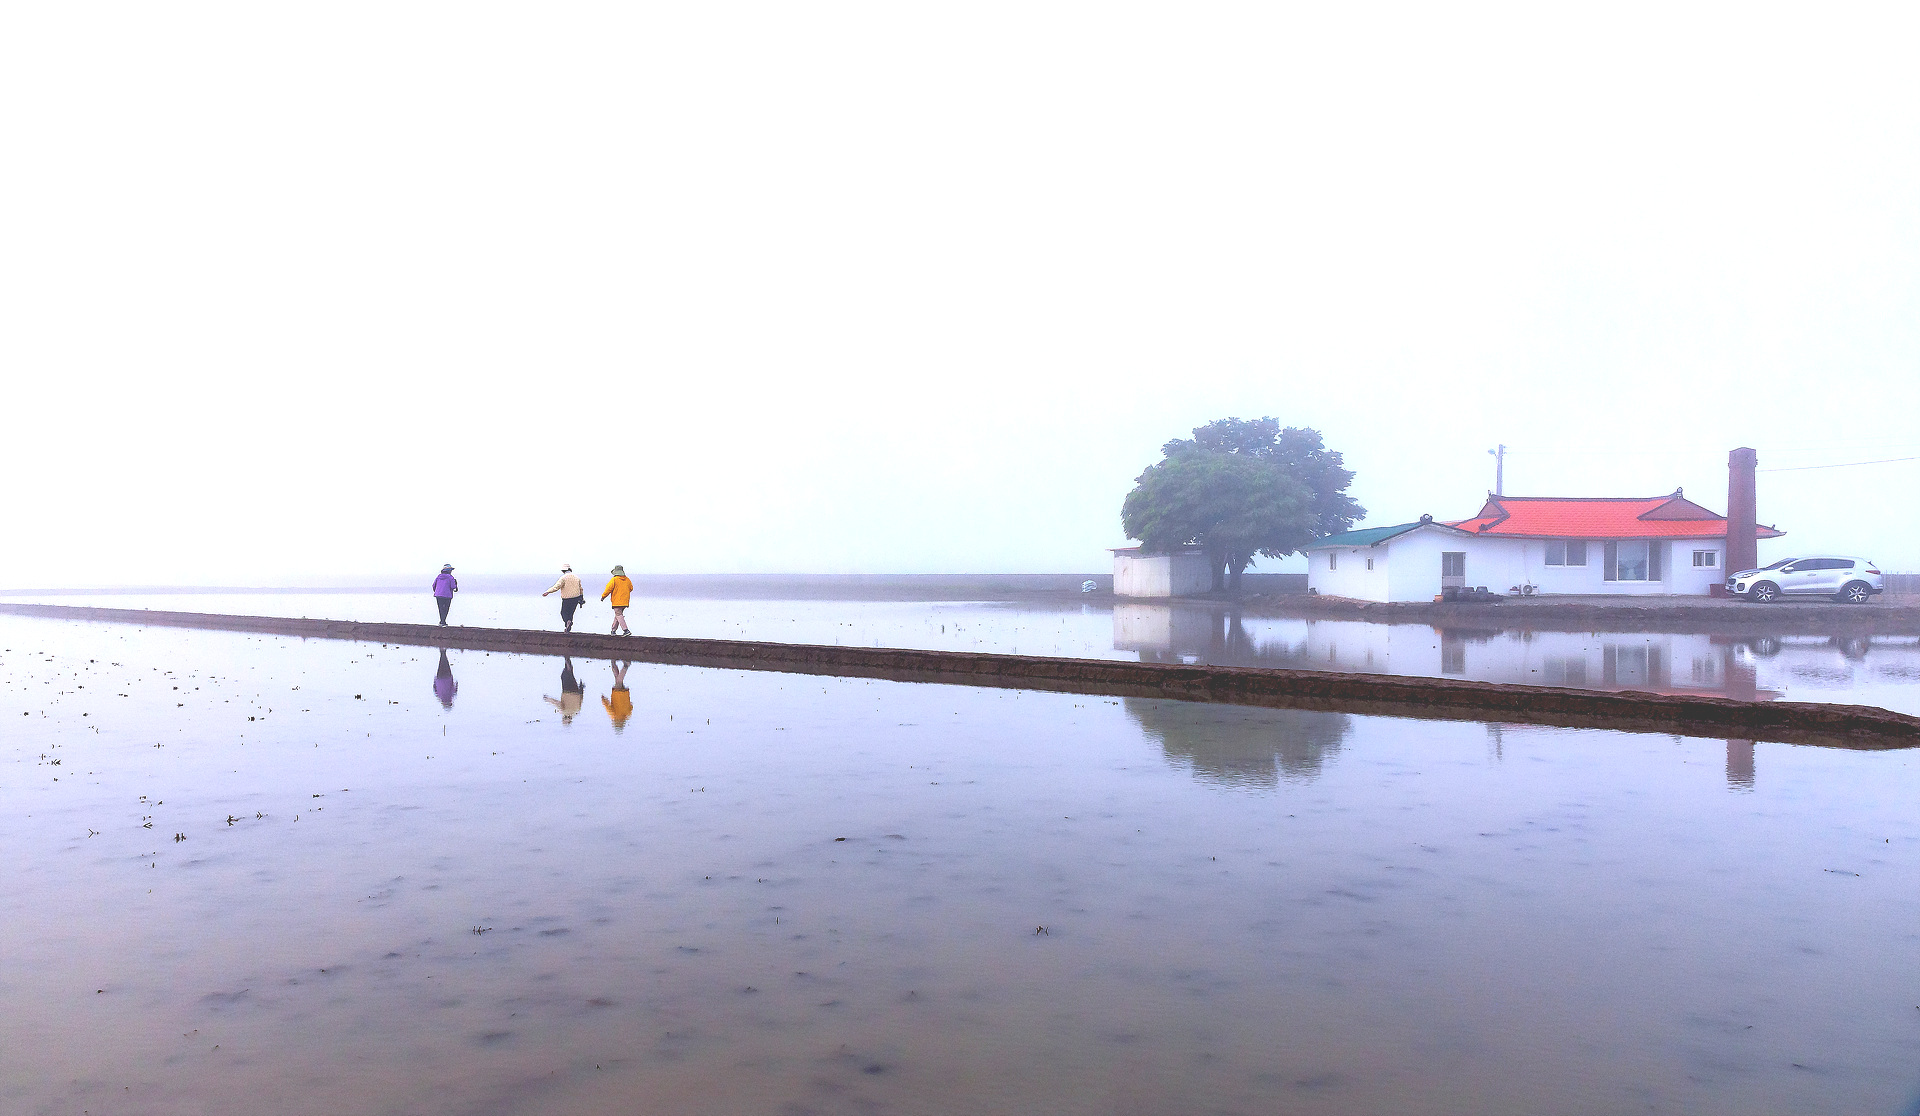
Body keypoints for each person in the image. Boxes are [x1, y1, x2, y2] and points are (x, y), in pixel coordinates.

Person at [541, 564, 586, 632]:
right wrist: (581, 597)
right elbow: (581, 589)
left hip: (567, 598)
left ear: (563, 571)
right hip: (576, 598)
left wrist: (548, 591)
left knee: (563, 612)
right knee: (571, 613)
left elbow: (556, 587)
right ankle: (568, 626)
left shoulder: (563, 578)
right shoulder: (577, 578)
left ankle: (567, 622)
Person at [544, 657, 585, 724]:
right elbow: (556, 703)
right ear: (564, 717)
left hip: (576, 691)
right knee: (565, 675)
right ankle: (567, 660)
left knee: (570, 675)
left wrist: (581, 688)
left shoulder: (577, 711)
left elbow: (581, 699)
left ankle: (567, 661)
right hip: (567, 692)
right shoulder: (564, 711)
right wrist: (548, 699)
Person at [601, 564, 634, 636]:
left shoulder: (614, 579)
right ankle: (613, 630)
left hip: (617, 601)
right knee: (618, 615)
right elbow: (631, 588)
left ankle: (626, 630)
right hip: (625, 601)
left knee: (618, 614)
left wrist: (603, 596)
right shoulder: (627, 579)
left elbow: (608, 589)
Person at [602, 660, 632, 732]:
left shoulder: (627, 715)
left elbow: (631, 706)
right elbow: (607, 707)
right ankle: (625, 666)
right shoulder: (613, 715)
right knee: (619, 681)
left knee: (617, 679)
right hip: (617, 695)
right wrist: (603, 700)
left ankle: (613, 662)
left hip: (625, 694)